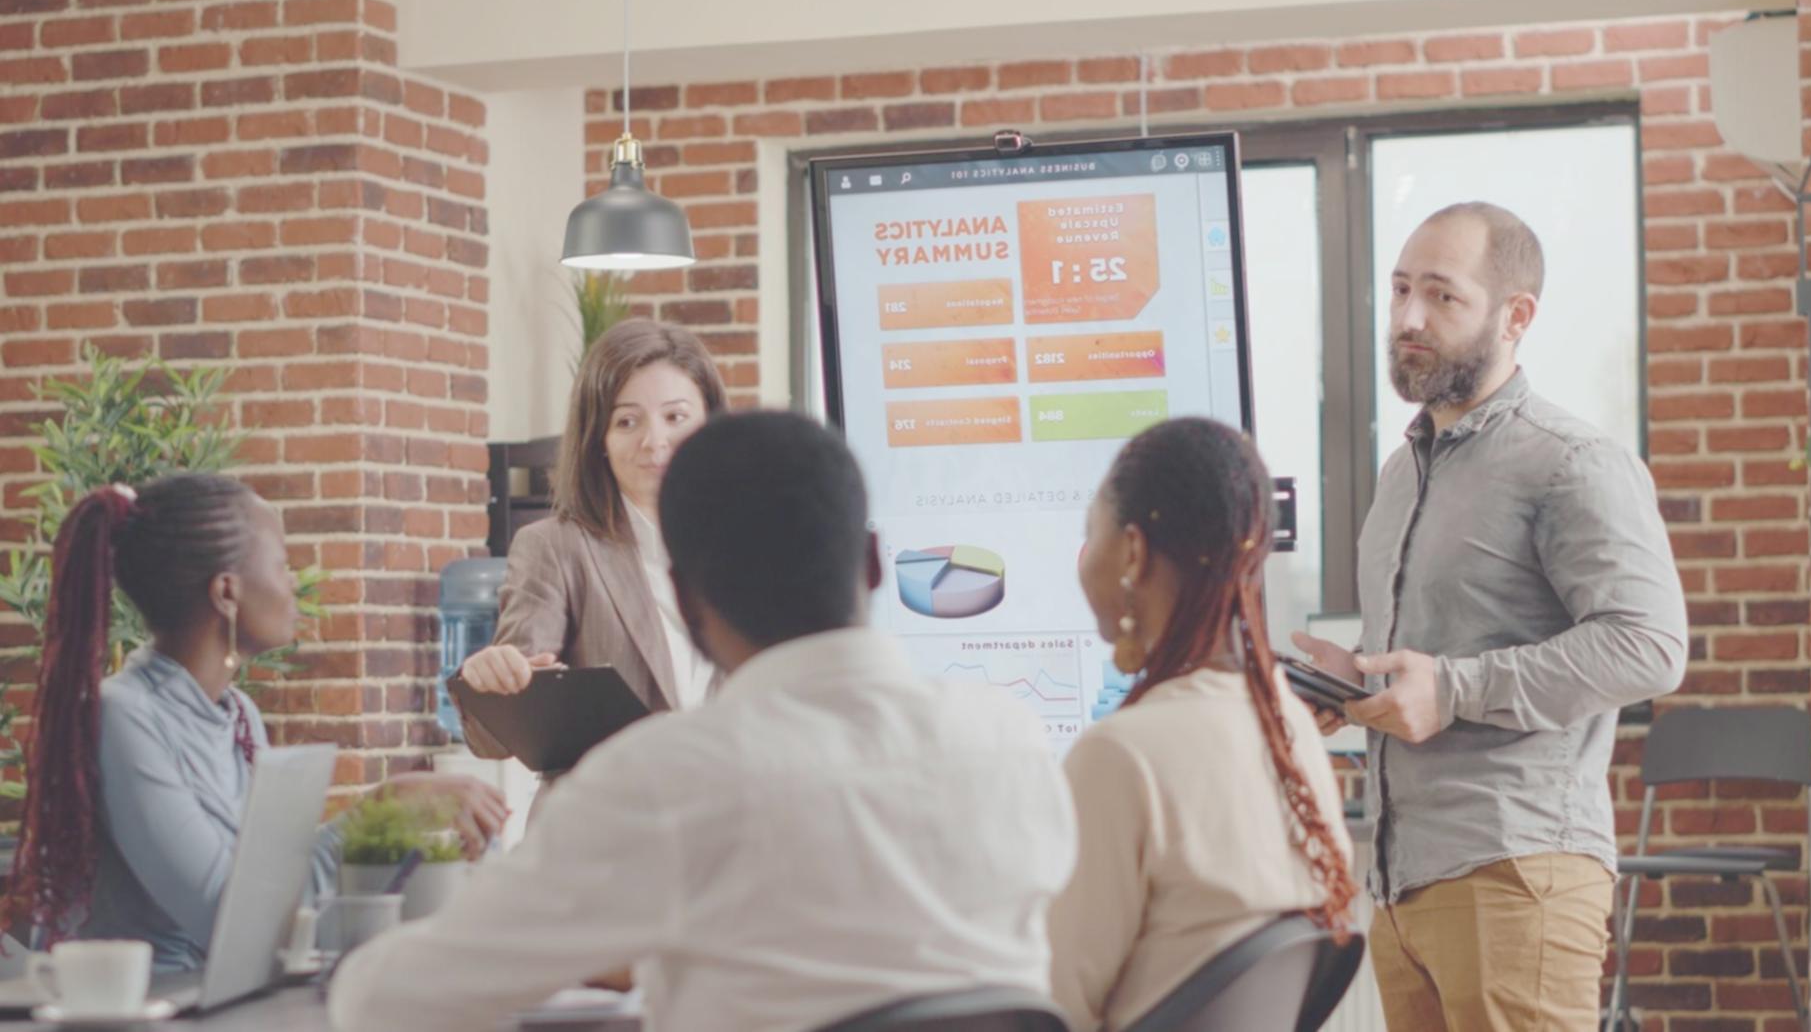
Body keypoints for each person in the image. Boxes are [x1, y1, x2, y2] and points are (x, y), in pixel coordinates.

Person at [328, 411, 1077, 1032]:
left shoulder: (667, 776)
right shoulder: (1012, 741)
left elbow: (392, 1001)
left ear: (686, 602)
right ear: (875, 563)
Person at [1292, 202, 1687, 1031]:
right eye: (1400, 289)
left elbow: (1648, 644)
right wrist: (1353, 678)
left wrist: (1453, 688)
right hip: (1401, 884)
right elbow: (1437, 654)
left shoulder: (1571, 461)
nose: (1408, 317)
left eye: (1441, 295)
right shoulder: (1401, 472)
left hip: (1516, 873)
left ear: (1515, 316)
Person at [0, 474, 507, 972]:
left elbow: (278, 897)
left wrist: (400, 833)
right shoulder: (123, 717)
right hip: (146, 1004)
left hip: (224, 1000)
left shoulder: (238, 715)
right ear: (227, 592)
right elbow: (232, 919)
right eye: (282, 564)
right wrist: (383, 804)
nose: (293, 584)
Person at [1046, 418, 1356, 1032]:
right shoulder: (1288, 726)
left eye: (1090, 533)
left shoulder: (1120, 755)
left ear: (1132, 552)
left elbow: (1056, 1008)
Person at [453, 319, 728, 768]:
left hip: (730, 805)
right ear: (599, 439)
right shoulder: (555, 548)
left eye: (675, 417)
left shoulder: (752, 545)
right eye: (626, 421)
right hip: (605, 808)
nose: (654, 441)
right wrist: (492, 680)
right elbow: (495, 740)